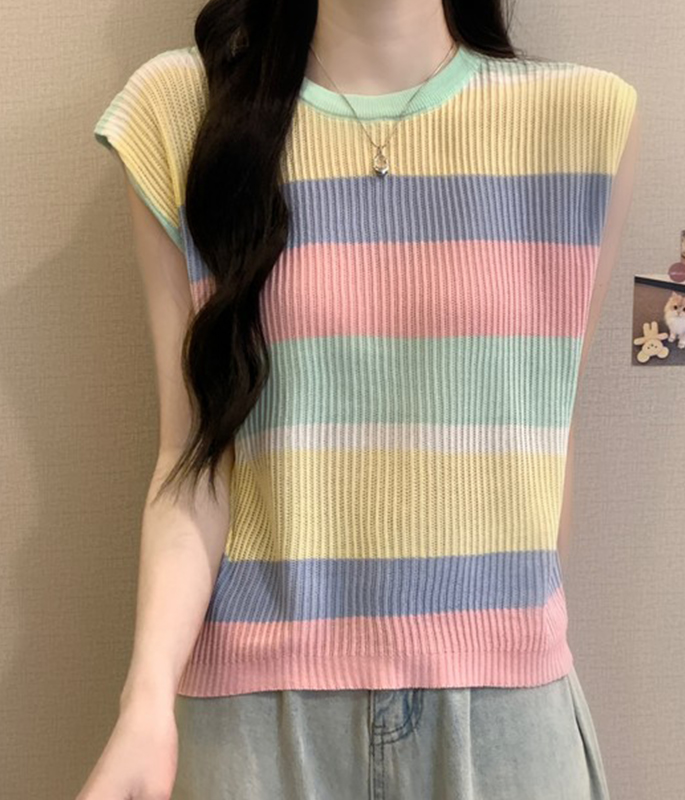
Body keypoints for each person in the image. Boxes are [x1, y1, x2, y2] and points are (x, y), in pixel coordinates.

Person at [78, 0, 640, 797]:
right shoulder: (182, 114)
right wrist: (144, 703)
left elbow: (545, 433)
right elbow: (189, 456)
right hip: (256, 717)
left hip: (502, 716)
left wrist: (497, 640)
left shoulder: (582, 123)